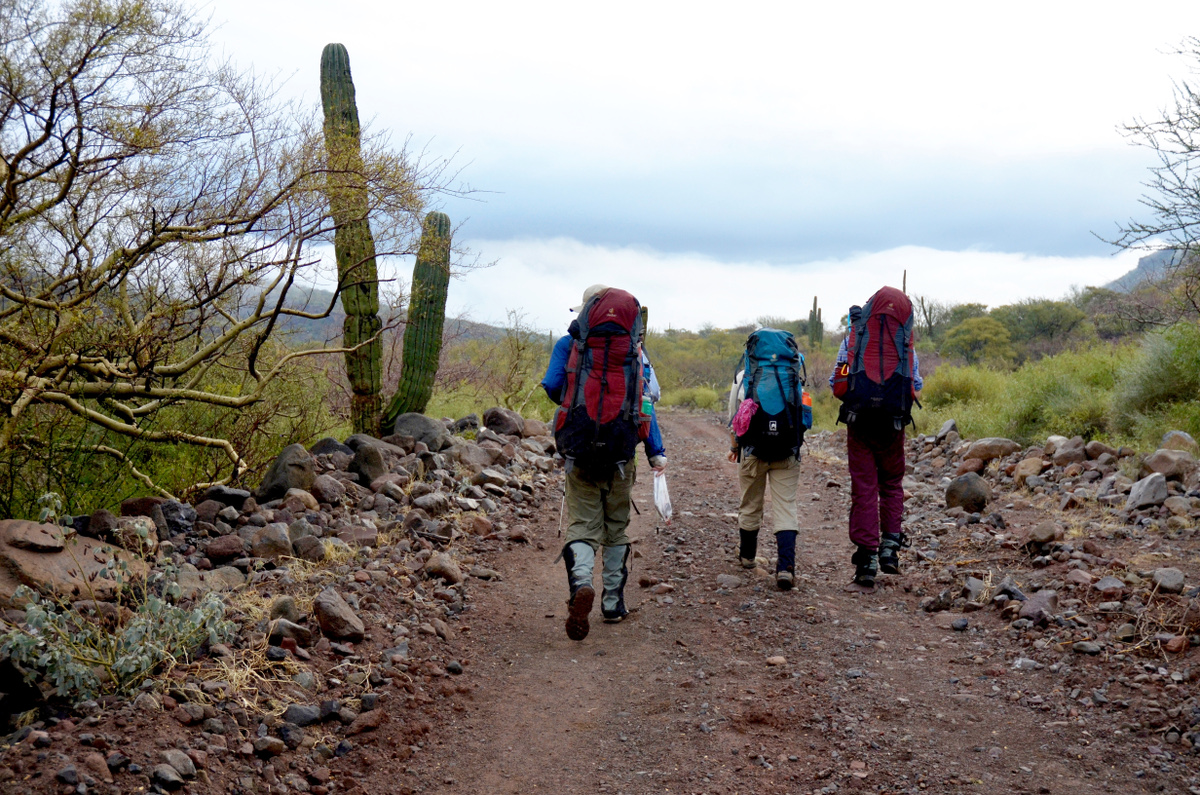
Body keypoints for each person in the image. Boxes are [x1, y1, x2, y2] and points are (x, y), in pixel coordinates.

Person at [542, 284, 667, 640]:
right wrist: (655, 451)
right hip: (621, 453)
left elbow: (552, 386)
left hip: (579, 450)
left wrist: (578, 408)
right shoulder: (635, 351)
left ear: (585, 313)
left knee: (583, 525)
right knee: (616, 527)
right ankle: (612, 603)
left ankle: (581, 583)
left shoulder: (568, 344)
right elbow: (648, 400)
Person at [830, 291, 922, 590]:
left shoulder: (853, 338)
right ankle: (890, 548)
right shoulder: (906, 343)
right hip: (893, 425)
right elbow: (916, 387)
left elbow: (837, 385)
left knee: (864, 488)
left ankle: (867, 561)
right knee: (892, 485)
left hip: (860, 424)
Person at [726, 333, 803, 591]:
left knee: (750, 503)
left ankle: (747, 557)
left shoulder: (744, 377)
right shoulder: (793, 374)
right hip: (787, 451)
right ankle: (786, 568)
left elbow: (735, 418)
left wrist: (735, 447)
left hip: (753, 451)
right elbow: (803, 417)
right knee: (786, 507)